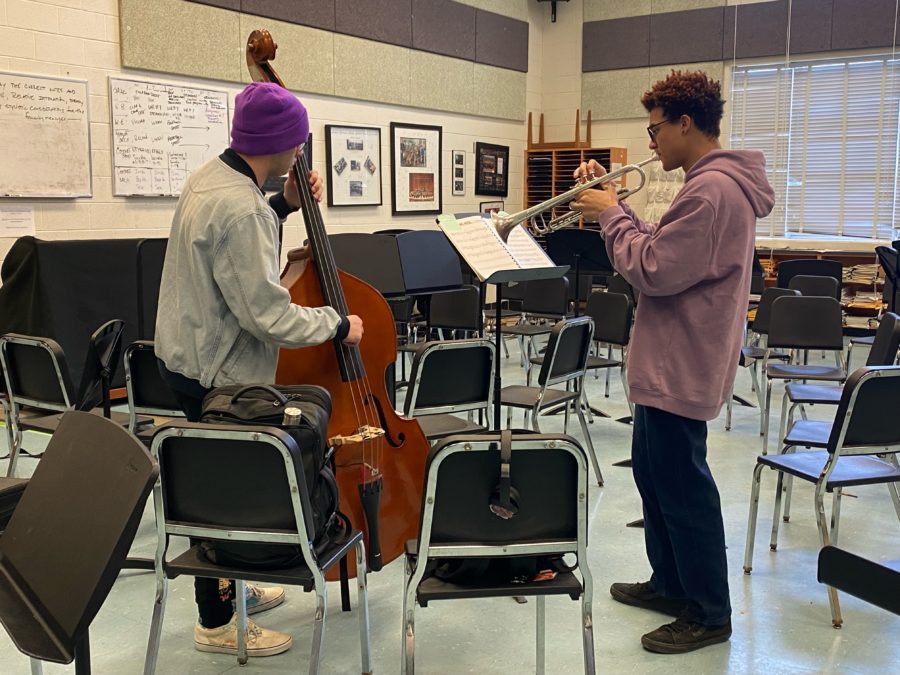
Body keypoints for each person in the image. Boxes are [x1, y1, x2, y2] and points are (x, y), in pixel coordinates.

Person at [155, 81, 363, 658]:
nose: (301, 152)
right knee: (219, 493)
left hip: (184, 356)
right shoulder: (242, 207)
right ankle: (217, 621)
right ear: (282, 143)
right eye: (298, 143)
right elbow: (267, 314)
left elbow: (233, 251)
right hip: (217, 369)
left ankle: (234, 589)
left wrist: (287, 204)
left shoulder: (212, 180)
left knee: (212, 483)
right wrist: (338, 324)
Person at [570, 70, 774, 654]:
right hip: (670, 360)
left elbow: (654, 269)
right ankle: (671, 584)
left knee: (683, 489)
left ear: (686, 123)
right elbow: (664, 248)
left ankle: (709, 612)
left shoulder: (713, 189)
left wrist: (610, 215)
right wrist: (618, 206)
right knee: (656, 480)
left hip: (681, 362)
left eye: (656, 128)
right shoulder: (704, 183)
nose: (651, 140)